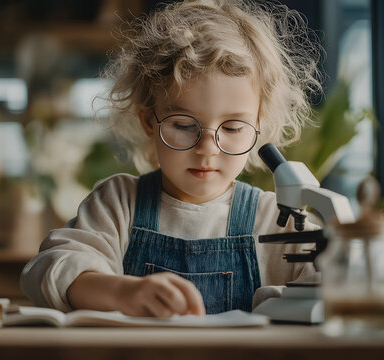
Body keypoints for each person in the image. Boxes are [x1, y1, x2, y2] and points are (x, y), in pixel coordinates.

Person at [21, 0, 323, 317]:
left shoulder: (275, 221)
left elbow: (338, 278)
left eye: (233, 127)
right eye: (183, 125)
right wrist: (122, 292)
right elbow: (48, 269)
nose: (208, 148)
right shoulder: (119, 204)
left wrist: (277, 302)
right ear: (148, 122)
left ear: (258, 128)